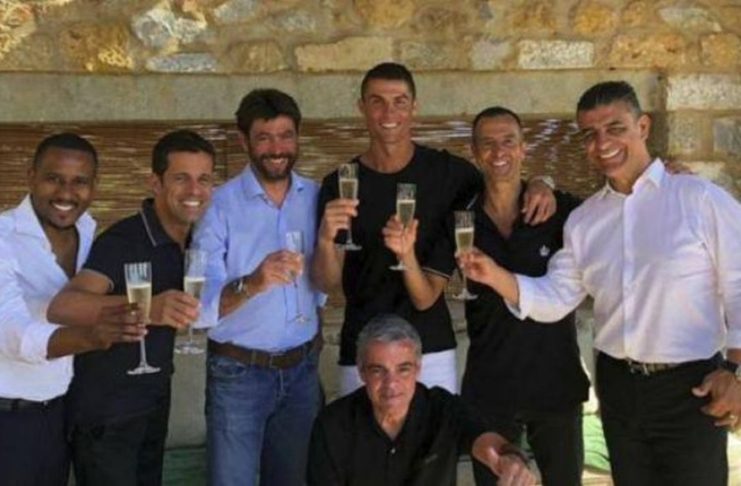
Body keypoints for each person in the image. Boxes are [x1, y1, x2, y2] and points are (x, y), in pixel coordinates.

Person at [458, 80, 741, 485]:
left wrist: (735, 371)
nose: (602, 142)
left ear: (643, 126)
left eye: (615, 128)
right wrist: (492, 274)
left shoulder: (699, 198)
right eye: (590, 134)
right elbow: (556, 296)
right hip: (618, 388)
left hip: (691, 387)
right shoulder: (584, 220)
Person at [312, 62, 556, 396]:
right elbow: (327, 283)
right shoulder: (340, 183)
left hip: (432, 349)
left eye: (399, 101)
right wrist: (326, 240)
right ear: (362, 108)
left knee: (436, 432)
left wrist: (542, 182)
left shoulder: (450, 173)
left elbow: (502, 181)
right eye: (377, 101)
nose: (389, 113)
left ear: (414, 107)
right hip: (363, 349)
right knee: (359, 432)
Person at [47, 129, 215, 486]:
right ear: (155, 183)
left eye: (203, 179)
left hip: (152, 401)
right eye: (181, 178)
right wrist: (148, 308)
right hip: (108, 413)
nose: (194, 190)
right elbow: (63, 306)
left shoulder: (194, 240)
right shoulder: (125, 240)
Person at [192, 89, 324, 486]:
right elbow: (200, 305)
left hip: (302, 371)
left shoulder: (317, 197)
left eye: (285, 135)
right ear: (243, 141)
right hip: (239, 374)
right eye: (264, 137)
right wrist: (253, 283)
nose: (276, 148)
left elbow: (324, 283)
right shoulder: (218, 205)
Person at [0, 133, 145, 486]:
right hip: (8, 418)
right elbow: (11, 334)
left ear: (94, 186)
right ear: (31, 176)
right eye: (54, 178)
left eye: (79, 181)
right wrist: (91, 336)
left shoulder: (89, 231)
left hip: (61, 414)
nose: (66, 193)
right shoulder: (3, 237)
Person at [461, 106, 590, 486]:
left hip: (556, 383)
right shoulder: (462, 217)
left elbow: (618, 208)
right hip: (490, 386)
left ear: (523, 148)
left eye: (508, 141)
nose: (499, 152)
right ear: (474, 151)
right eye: (488, 143)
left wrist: (670, 175)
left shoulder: (562, 210)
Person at [307, 314, 536, 486]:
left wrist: (509, 459)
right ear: (361, 372)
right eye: (378, 370)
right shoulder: (333, 424)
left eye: (403, 369)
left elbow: (484, 440)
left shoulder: (443, 409)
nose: (391, 384)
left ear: (418, 369)